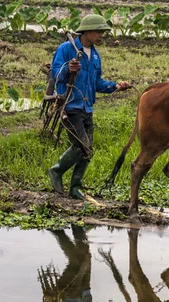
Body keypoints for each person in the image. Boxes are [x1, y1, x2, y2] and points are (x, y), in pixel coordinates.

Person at [48, 14, 131, 200]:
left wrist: (115, 86)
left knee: (87, 151)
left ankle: (75, 188)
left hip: (87, 107)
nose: (102, 35)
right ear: (87, 31)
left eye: (102, 32)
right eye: (99, 32)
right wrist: (68, 68)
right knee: (82, 146)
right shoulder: (67, 49)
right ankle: (55, 171)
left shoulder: (94, 55)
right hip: (70, 105)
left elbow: (96, 82)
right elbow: (55, 74)